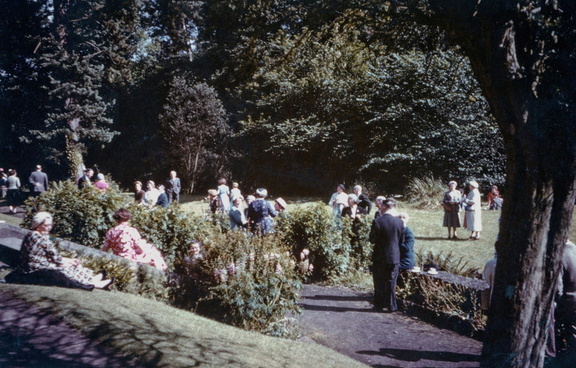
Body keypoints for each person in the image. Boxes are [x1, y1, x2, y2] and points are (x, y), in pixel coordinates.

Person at [4, 212, 112, 290]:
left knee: (71, 265)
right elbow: (56, 259)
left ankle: (93, 279)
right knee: (72, 267)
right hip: (38, 267)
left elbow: (50, 256)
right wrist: (70, 261)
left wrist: (68, 260)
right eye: (45, 225)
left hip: (32, 265)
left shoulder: (30, 234)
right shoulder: (41, 238)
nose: (49, 228)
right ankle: (95, 283)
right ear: (37, 225)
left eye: (50, 225)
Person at [369, 197, 404, 313]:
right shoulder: (400, 222)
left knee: (378, 281)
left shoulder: (377, 221)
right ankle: (391, 305)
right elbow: (401, 240)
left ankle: (378, 305)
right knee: (391, 281)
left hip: (380, 255)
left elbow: (371, 239)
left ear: (383, 207)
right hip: (393, 255)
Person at [102, 208, 167, 270]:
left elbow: (104, 249)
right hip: (130, 259)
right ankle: (161, 274)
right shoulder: (131, 230)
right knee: (153, 253)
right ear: (128, 218)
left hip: (117, 257)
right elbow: (140, 247)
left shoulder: (110, 232)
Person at [342, 194, 368, 267]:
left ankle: (361, 263)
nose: (347, 200)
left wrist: (360, 217)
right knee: (349, 246)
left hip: (359, 232)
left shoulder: (362, 210)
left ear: (354, 201)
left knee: (360, 247)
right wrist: (348, 218)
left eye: (349, 199)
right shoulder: (345, 209)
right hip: (349, 231)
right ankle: (349, 263)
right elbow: (342, 219)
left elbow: (366, 221)